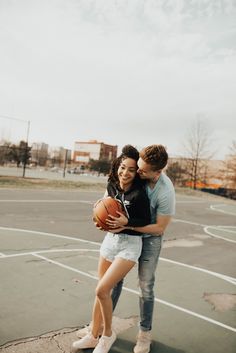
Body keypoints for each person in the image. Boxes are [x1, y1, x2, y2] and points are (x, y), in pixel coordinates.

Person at [71, 145, 151, 353]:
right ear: (118, 166)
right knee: (100, 291)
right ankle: (93, 334)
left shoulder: (139, 194)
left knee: (102, 289)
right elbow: (102, 209)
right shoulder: (112, 185)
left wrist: (128, 221)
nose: (125, 173)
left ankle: (107, 335)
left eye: (131, 170)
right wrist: (99, 219)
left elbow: (146, 221)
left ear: (137, 172)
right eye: (122, 167)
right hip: (110, 241)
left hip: (130, 246)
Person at [107, 144, 175, 353]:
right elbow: (117, 182)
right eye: (139, 167)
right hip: (129, 235)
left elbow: (160, 227)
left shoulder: (165, 191)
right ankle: (101, 327)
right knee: (113, 281)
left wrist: (128, 224)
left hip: (151, 238)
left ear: (158, 171)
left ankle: (144, 334)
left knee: (145, 286)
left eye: (143, 170)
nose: (138, 171)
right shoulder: (137, 172)